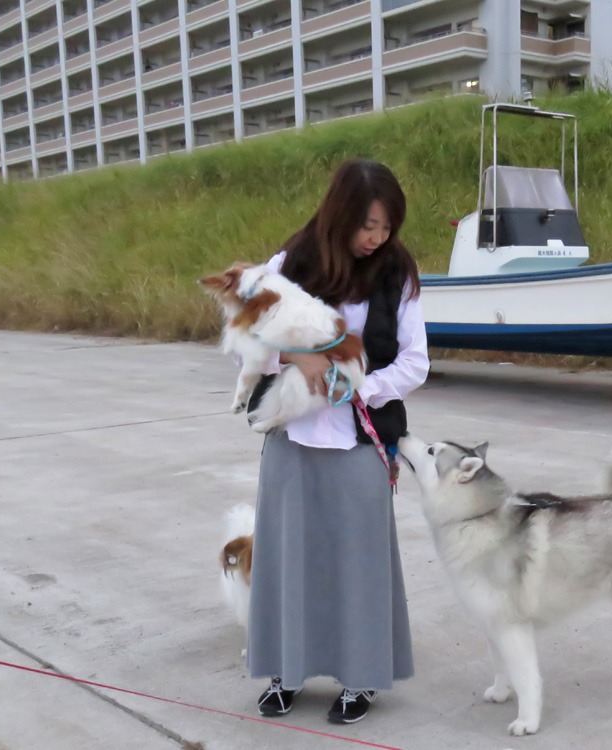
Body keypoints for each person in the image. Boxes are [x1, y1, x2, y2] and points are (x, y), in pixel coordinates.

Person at [245, 159, 430, 724]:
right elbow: (246, 338)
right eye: (368, 225)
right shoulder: (290, 262)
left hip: (360, 443)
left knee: (360, 563)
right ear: (341, 214)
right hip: (292, 439)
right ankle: (286, 671)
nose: (377, 238)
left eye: (387, 227)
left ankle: (362, 678)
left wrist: (356, 386)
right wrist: (295, 359)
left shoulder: (397, 273)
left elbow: (415, 363)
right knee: (288, 559)